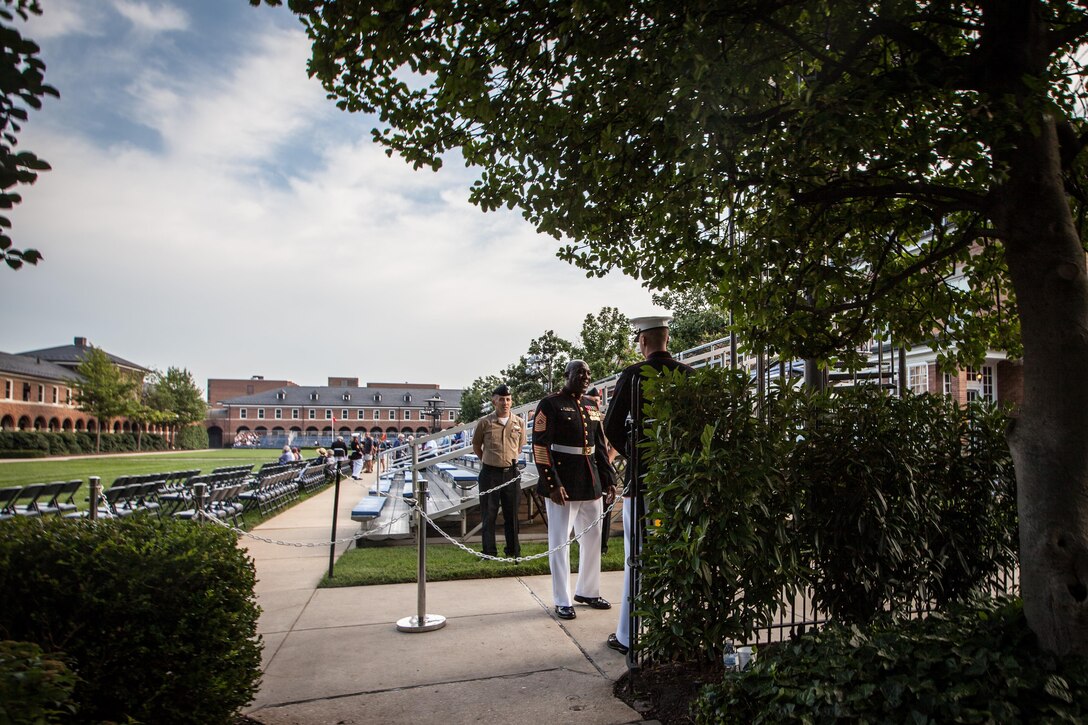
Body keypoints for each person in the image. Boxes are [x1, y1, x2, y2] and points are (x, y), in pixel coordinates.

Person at [603, 316, 694, 655]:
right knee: (680, 554)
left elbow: (612, 428)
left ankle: (630, 635)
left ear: (643, 342)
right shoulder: (689, 375)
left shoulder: (633, 375)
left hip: (643, 484)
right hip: (681, 484)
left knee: (637, 558)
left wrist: (637, 455)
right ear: (667, 339)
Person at [532, 359, 617, 620]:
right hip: (564, 484)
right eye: (580, 372)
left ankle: (588, 591)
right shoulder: (550, 404)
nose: (585, 377)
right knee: (560, 542)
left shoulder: (591, 405)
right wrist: (552, 483)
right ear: (566, 374)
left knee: (592, 540)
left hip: (590, 483)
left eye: (588, 373)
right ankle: (562, 599)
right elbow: (541, 446)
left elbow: (599, 446)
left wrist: (609, 479)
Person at [471, 383, 528, 559]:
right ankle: (489, 551)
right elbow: (476, 445)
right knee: (489, 515)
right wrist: (489, 460)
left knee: (511, 515)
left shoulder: (519, 422)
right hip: (490, 475)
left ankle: (513, 551)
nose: (505, 403)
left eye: (508, 399)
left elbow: (519, 446)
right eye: (502, 399)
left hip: (511, 474)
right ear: (494, 401)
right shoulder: (485, 423)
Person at [586, 386, 618, 555]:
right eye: (591, 401)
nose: (594, 404)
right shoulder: (583, 417)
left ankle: (602, 546)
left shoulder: (605, 420)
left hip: (603, 467)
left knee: (606, 507)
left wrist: (607, 461)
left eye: (597, 401)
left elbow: (616, 444)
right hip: (587, 467)